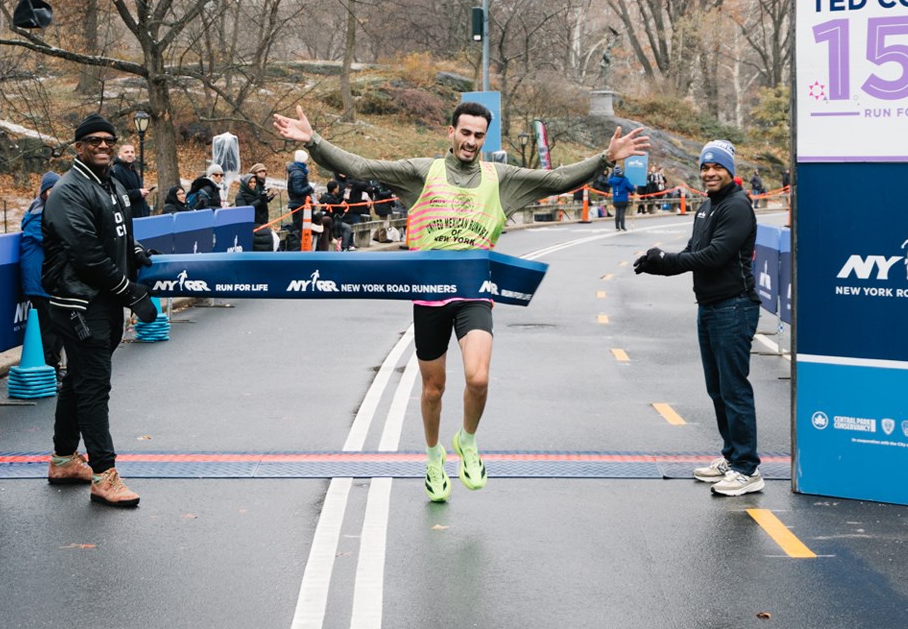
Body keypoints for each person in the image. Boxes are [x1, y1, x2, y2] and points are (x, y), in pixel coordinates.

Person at [273, 100, 649, 502]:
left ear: (484, 138)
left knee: (479, 378)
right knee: (433, 390)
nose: (471, 142)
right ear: (450, 132)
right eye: (465, 133)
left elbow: (555, 180)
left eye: (478, 135)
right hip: (429, 297)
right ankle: (434, 455)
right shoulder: (423, 173)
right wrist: (313, 142)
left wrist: (604, 159)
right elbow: (363, 167)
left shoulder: (499, 178)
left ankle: (466, 441)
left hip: (474, 294)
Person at [632, 140, 764, 497]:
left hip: (734, 307)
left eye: (717, 167)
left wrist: (668, 260)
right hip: (709, 307)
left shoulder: (737, 206)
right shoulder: (706, 206)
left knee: (734, 389)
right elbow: (693, 252)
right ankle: (732, 456)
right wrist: (658, 266)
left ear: (730, 170)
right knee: (718, 389)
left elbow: (716, 256)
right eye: (704, 168)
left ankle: (747, 468)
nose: (709, 173)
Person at [41, 114, 160, 508]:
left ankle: (62, 460)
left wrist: (136, 253)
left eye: (109, 140)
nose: (104, 146)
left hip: (103, 301)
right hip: (80, 304)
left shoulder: (109, 183)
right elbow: (87, 253)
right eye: (94, 141)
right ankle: (104, 475)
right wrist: (129, 291)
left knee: (78, 381)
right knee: (94, 387)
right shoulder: (68, 190)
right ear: (78, 146)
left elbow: (116, 233)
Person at [19, 172, 65, 371]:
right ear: (44, 192)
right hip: (39, 279)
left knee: (57, 325)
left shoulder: (54, 211)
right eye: (51, 190)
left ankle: (52, 366)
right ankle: (49, 368)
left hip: (50, 278)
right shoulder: (38, 216)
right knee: (49, 326)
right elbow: (55, 241)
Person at [235, 163, 276, 251]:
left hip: (262, 222)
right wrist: (260, 200)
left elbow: (261, 203)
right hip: (252, 225)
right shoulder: (240, 196)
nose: (253, 184)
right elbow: (246, 210)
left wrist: (268, 198)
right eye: (250, 182)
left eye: (254, 182)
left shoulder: (257, 191)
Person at [112, 142, 151, 220]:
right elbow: (116, 195)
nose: (130, 154)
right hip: (128, 217)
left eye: (132, 152)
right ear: (119, 155)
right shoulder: (115, 170)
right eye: (126, 152)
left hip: (141, 215)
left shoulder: (133, 170)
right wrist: (138, 193)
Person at [285, 149, 314, 249]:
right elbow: (297, 190)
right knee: (299, 228)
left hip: (300, 203)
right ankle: (299, 247)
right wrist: (309, 187)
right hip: (299, 204)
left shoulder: (299, 171)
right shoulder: (298, 173)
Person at [608, 167, 634, 231]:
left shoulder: (612, 180)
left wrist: (612, 173)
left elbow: (609, 181)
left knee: (617, 212)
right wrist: (634, 188)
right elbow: (631, 187)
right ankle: (623, 226)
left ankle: (617, 227)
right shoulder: (625, 179)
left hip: (616, 199)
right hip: (623, 199)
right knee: (622, 213)